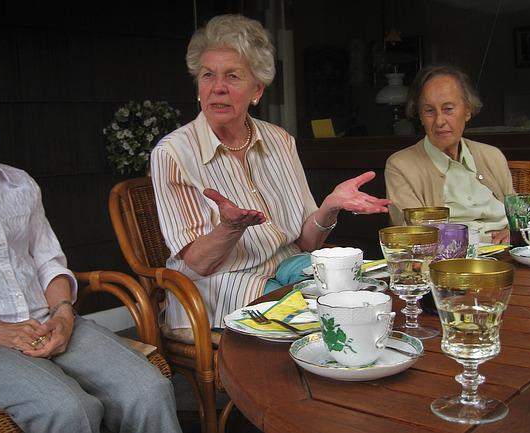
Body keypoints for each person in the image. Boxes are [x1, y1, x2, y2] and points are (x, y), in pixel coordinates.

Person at [0, 50, 181, 433]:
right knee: (68, 409)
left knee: (148, 389)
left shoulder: (18, 183)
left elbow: (49, 260)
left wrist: (64, 315)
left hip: (44, 321)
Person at [151, 15, 390, 331]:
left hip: (290, 265)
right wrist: (230, 228)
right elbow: (198, 263)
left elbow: (307, 243)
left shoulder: (279, 140)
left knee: (360, 295)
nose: (218, 88)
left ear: (257, 91)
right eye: (208, 75)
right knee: (313, 321)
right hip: (221, 285)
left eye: (233, 77)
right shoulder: (173, 153)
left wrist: (330, 205)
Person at [385, 64, 514, 244]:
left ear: (467, 111)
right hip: (450, 264)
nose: (439, 121)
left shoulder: (492, 156)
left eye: (448, 109)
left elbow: (517, 220)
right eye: (429, 111)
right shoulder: (401, 166)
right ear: (420, 116)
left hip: (507, 256)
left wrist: (512, 234)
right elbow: (417, 236)